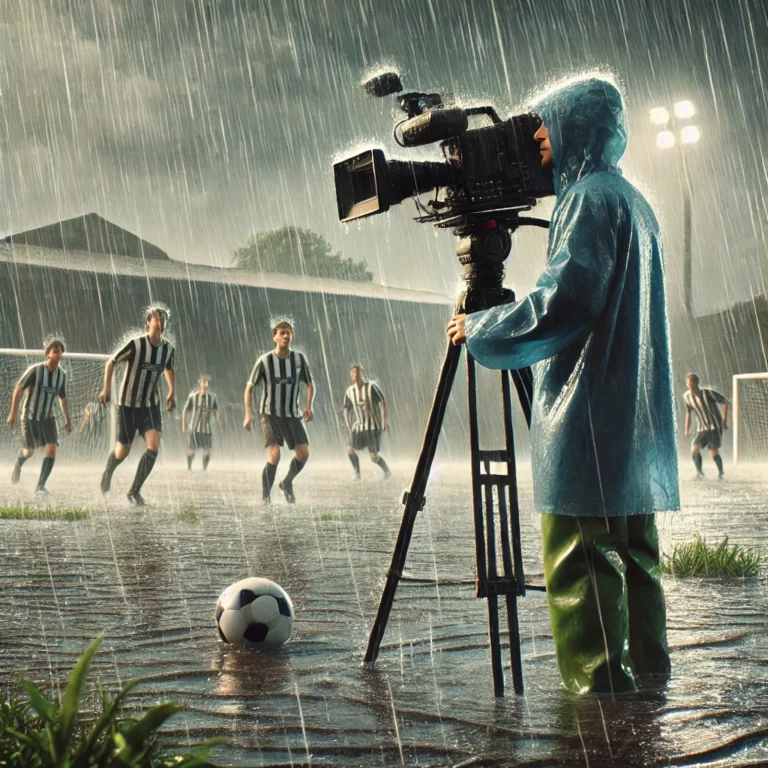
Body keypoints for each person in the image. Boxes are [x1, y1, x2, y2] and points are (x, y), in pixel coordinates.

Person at [446, 76, 680, 694]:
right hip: (633, 423)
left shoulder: (587, 200)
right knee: (635, 561)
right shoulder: (635, 201)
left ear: (578, 127)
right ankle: (648, 691)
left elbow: (564, 302)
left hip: (588, 416)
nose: (539, 137)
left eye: (547, 122)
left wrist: (482, 326)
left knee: (581, 564)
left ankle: (596, 707)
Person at [99, 306, 176, 505]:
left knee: (153, 448)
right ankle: (109, 470)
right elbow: (111, 363)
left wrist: (172, 391)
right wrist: (106, 390)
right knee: (122, 452)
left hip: (150, 406)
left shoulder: (168, 349)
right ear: (148, 322)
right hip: (128, 406)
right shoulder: (136, 345)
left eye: (162, 318)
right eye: (155, 318)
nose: (159, 321)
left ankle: (134, 491)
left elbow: (168, 369)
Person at [243, 321, 314, 503]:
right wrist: (248, 414)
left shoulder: (299, 359)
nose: (285, 336)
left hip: (292, 414)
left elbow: (310, 384)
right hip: (270, 414)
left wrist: (308, 406)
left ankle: (287, 483)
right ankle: (266, 498)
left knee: (303, 454)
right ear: (274, 337)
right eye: (282, 333)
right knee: (275, 455)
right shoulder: (265, 361)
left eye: (288, 333)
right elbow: (249, 387)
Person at [6, 338, 72, 493]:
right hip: (30, 417)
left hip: (48, 418)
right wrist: (12, 413)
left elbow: (62, 398)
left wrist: (68, 420)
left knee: (51, 450)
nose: (59, 353)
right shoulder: (36, 370)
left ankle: (40, 486)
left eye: (61, 351)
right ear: (47, 354)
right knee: (29, 451)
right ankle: (18, 463)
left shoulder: (62, 375)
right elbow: (18, 388)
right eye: (55, 350)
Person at [342, 365, 391, 480]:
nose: (356, 375)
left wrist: (384, 421)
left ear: (361, 374)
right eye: (353, 373)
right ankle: (357, 473)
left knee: (373, 457)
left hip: (372, 426)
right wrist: (348, 424)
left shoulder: (371, 387)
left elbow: (382, 401)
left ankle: (387, 471)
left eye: (358, 372)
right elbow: (346, 408)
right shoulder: (350, 391)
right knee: (349, 448)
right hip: (359, 427)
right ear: (351, 376)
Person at [683, 373, 729, 479]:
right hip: (701, 429)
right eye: (689, 383)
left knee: (713, 453)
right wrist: (686, 429)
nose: (690, 385)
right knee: (694, 450)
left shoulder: (706, 393)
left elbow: (725, 402)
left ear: (696, 383)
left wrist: (725, 420)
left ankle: (721, 473)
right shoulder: (687, 396)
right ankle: (699, 473)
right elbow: (688, 412)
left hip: (713, 427)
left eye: (692, 382)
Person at [182, 375, 221, 470]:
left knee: (207, 449)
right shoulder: (193, 396)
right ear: (199, 382)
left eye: (206, 381)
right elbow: (185, 410)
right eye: (203, 381)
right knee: (192, 449)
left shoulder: (212, 397)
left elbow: (216, 409)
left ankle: (204, 468)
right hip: (194, 428)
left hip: (206, 429)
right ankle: (189, 467)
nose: (205, 383)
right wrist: (184, 425)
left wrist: (218, 420)